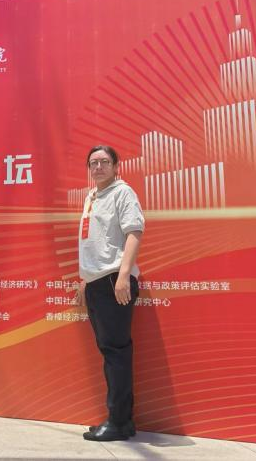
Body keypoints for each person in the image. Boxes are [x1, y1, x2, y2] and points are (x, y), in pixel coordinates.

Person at [76, 145, 144, 442]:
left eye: (104, 162)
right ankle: (121, 421)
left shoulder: (122, 193)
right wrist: (85, 279)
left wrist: (124, 275)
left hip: (113, 280)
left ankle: (118, 422)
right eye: (93, 163)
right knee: (110, 351)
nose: (98, 167)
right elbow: (92, 240)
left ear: (116, 166)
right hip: (96, 282)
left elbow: (134, 232)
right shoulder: (91, 196)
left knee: (116, 352)